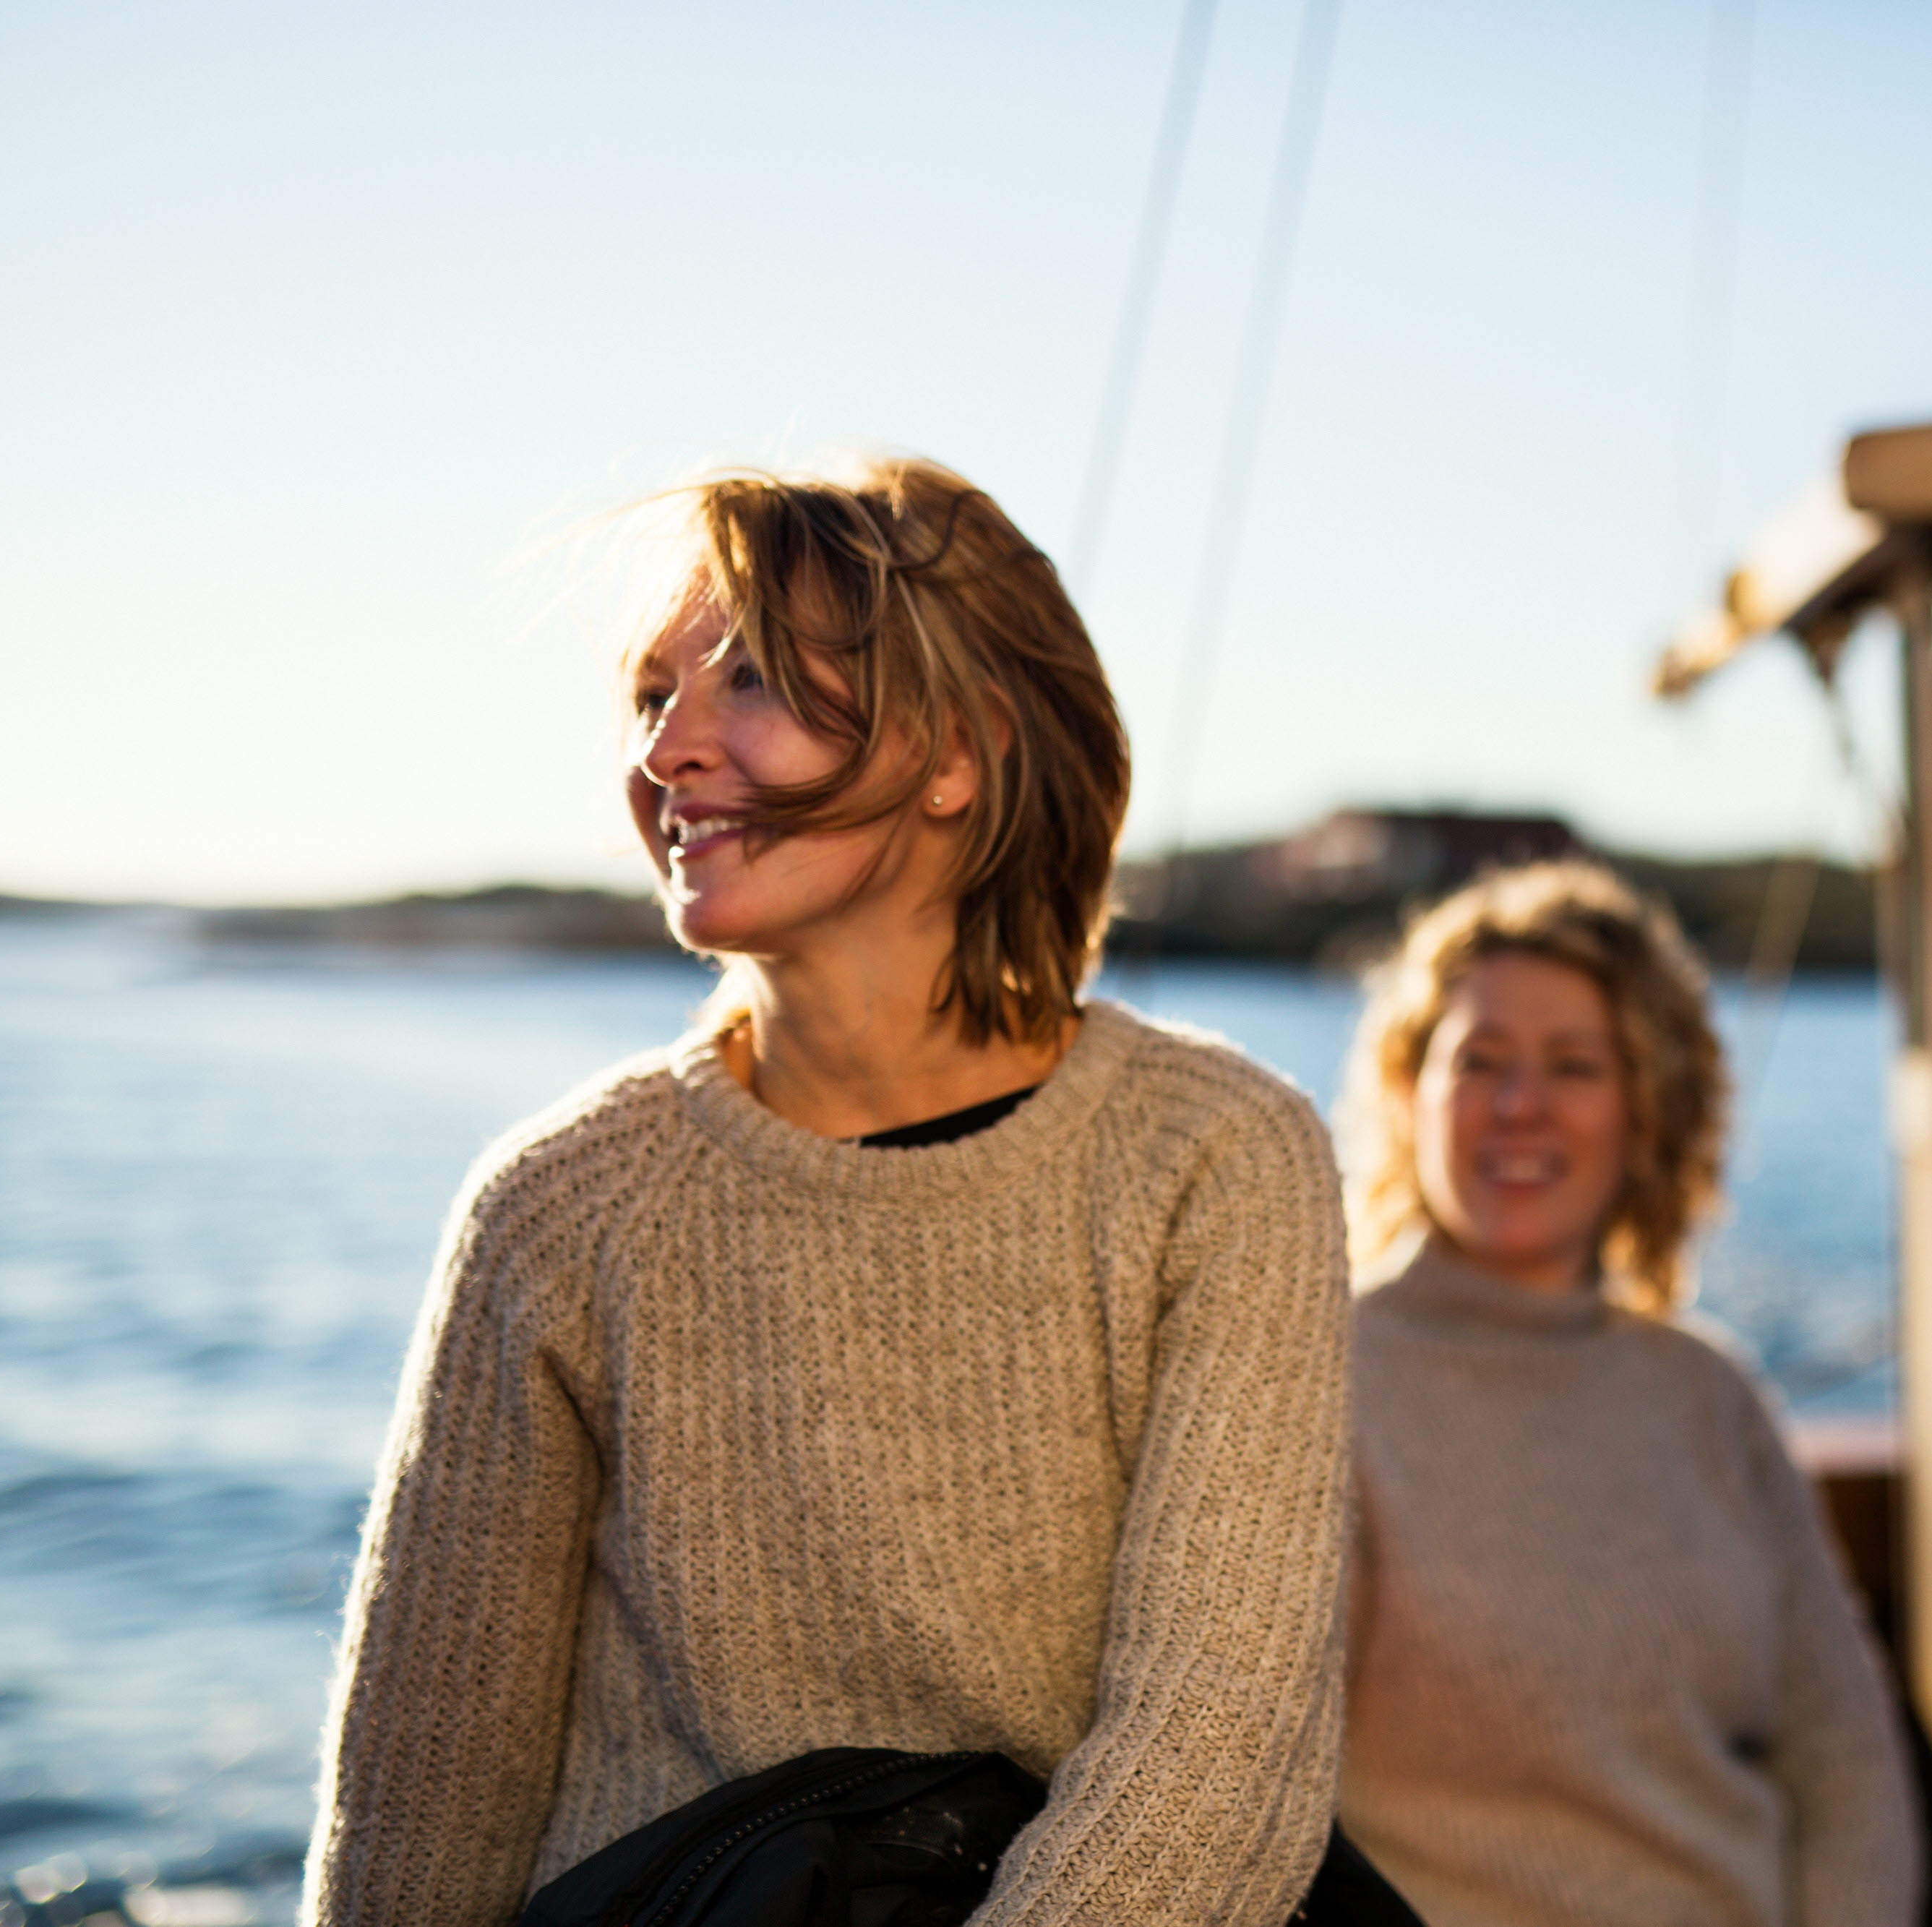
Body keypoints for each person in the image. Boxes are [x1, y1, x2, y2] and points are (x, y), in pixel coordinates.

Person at [301, 455, 1352, 1926]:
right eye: (651, 694)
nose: (670, 749)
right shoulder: (558, 1208)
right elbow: (424, 1798)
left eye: (748, 680)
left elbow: (1219, 1741)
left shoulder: (1216, 1156)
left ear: (955, 750)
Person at [1334, 858, 1920, 1927]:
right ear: (1406, 1088)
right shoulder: (1311, 1379)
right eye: (1480, 1059)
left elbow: (1848, 1771)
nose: (1519, 1105)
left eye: (1572, 1064)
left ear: (1648, 1109)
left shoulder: (1709, 1395)